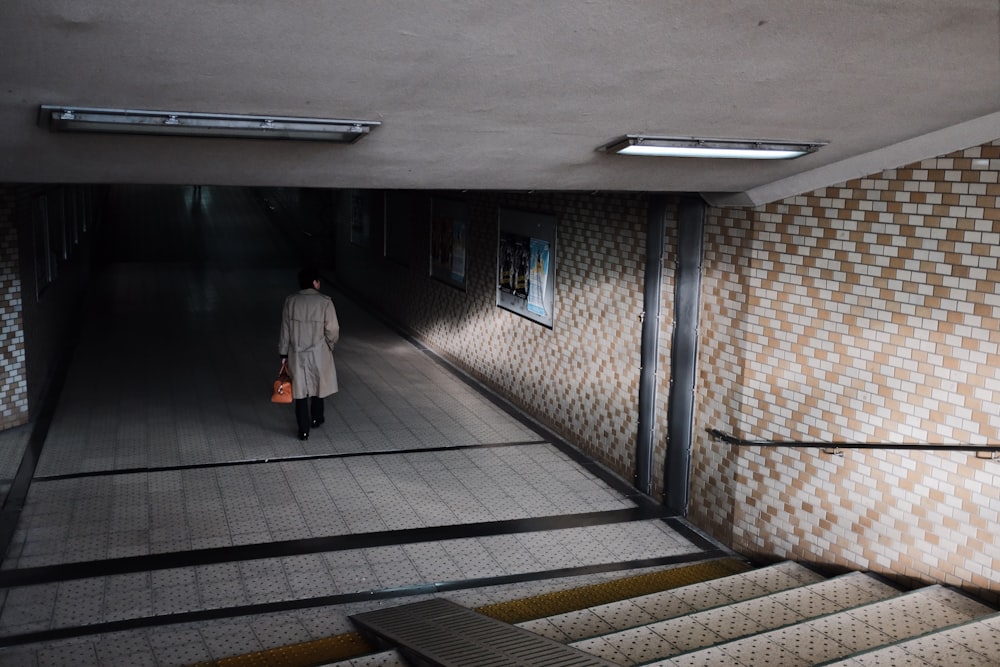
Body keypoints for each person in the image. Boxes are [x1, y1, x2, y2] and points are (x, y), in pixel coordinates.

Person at [279, 268, 340, 440]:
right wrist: (329, 344)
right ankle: (316, 418)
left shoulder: (291, 301)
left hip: (297, 352)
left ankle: (303, 430)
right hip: (318, 351)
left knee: (299, 390)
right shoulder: (325, 302)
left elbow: (285, 330)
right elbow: (333, 329)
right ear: (315, 283)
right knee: (318, 385)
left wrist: (283, 353)